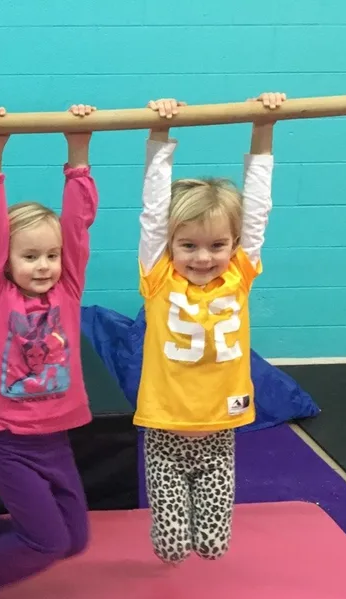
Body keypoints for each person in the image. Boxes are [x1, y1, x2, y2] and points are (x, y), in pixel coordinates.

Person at [134, 93, 285, 564]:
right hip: (165, 431)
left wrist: (264, 128)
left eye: (218, 245)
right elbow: (153, 213)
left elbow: (258, 210)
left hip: (220, 432)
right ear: (171, 245)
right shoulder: (158, 277)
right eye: (190, 246)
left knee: (214, 548)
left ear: (235, 245)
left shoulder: (240, 274)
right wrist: (160, 136)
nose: (204, 257)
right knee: (172, 548)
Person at [0, 104, 99, 594]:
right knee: (47, 543)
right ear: (8, 260)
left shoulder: (69, 290)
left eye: (51, 255)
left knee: (75, 542)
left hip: (57, 440)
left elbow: (78, 227)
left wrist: (78, 150)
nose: (44, 265)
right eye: (30, 255)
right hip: (11, 443)